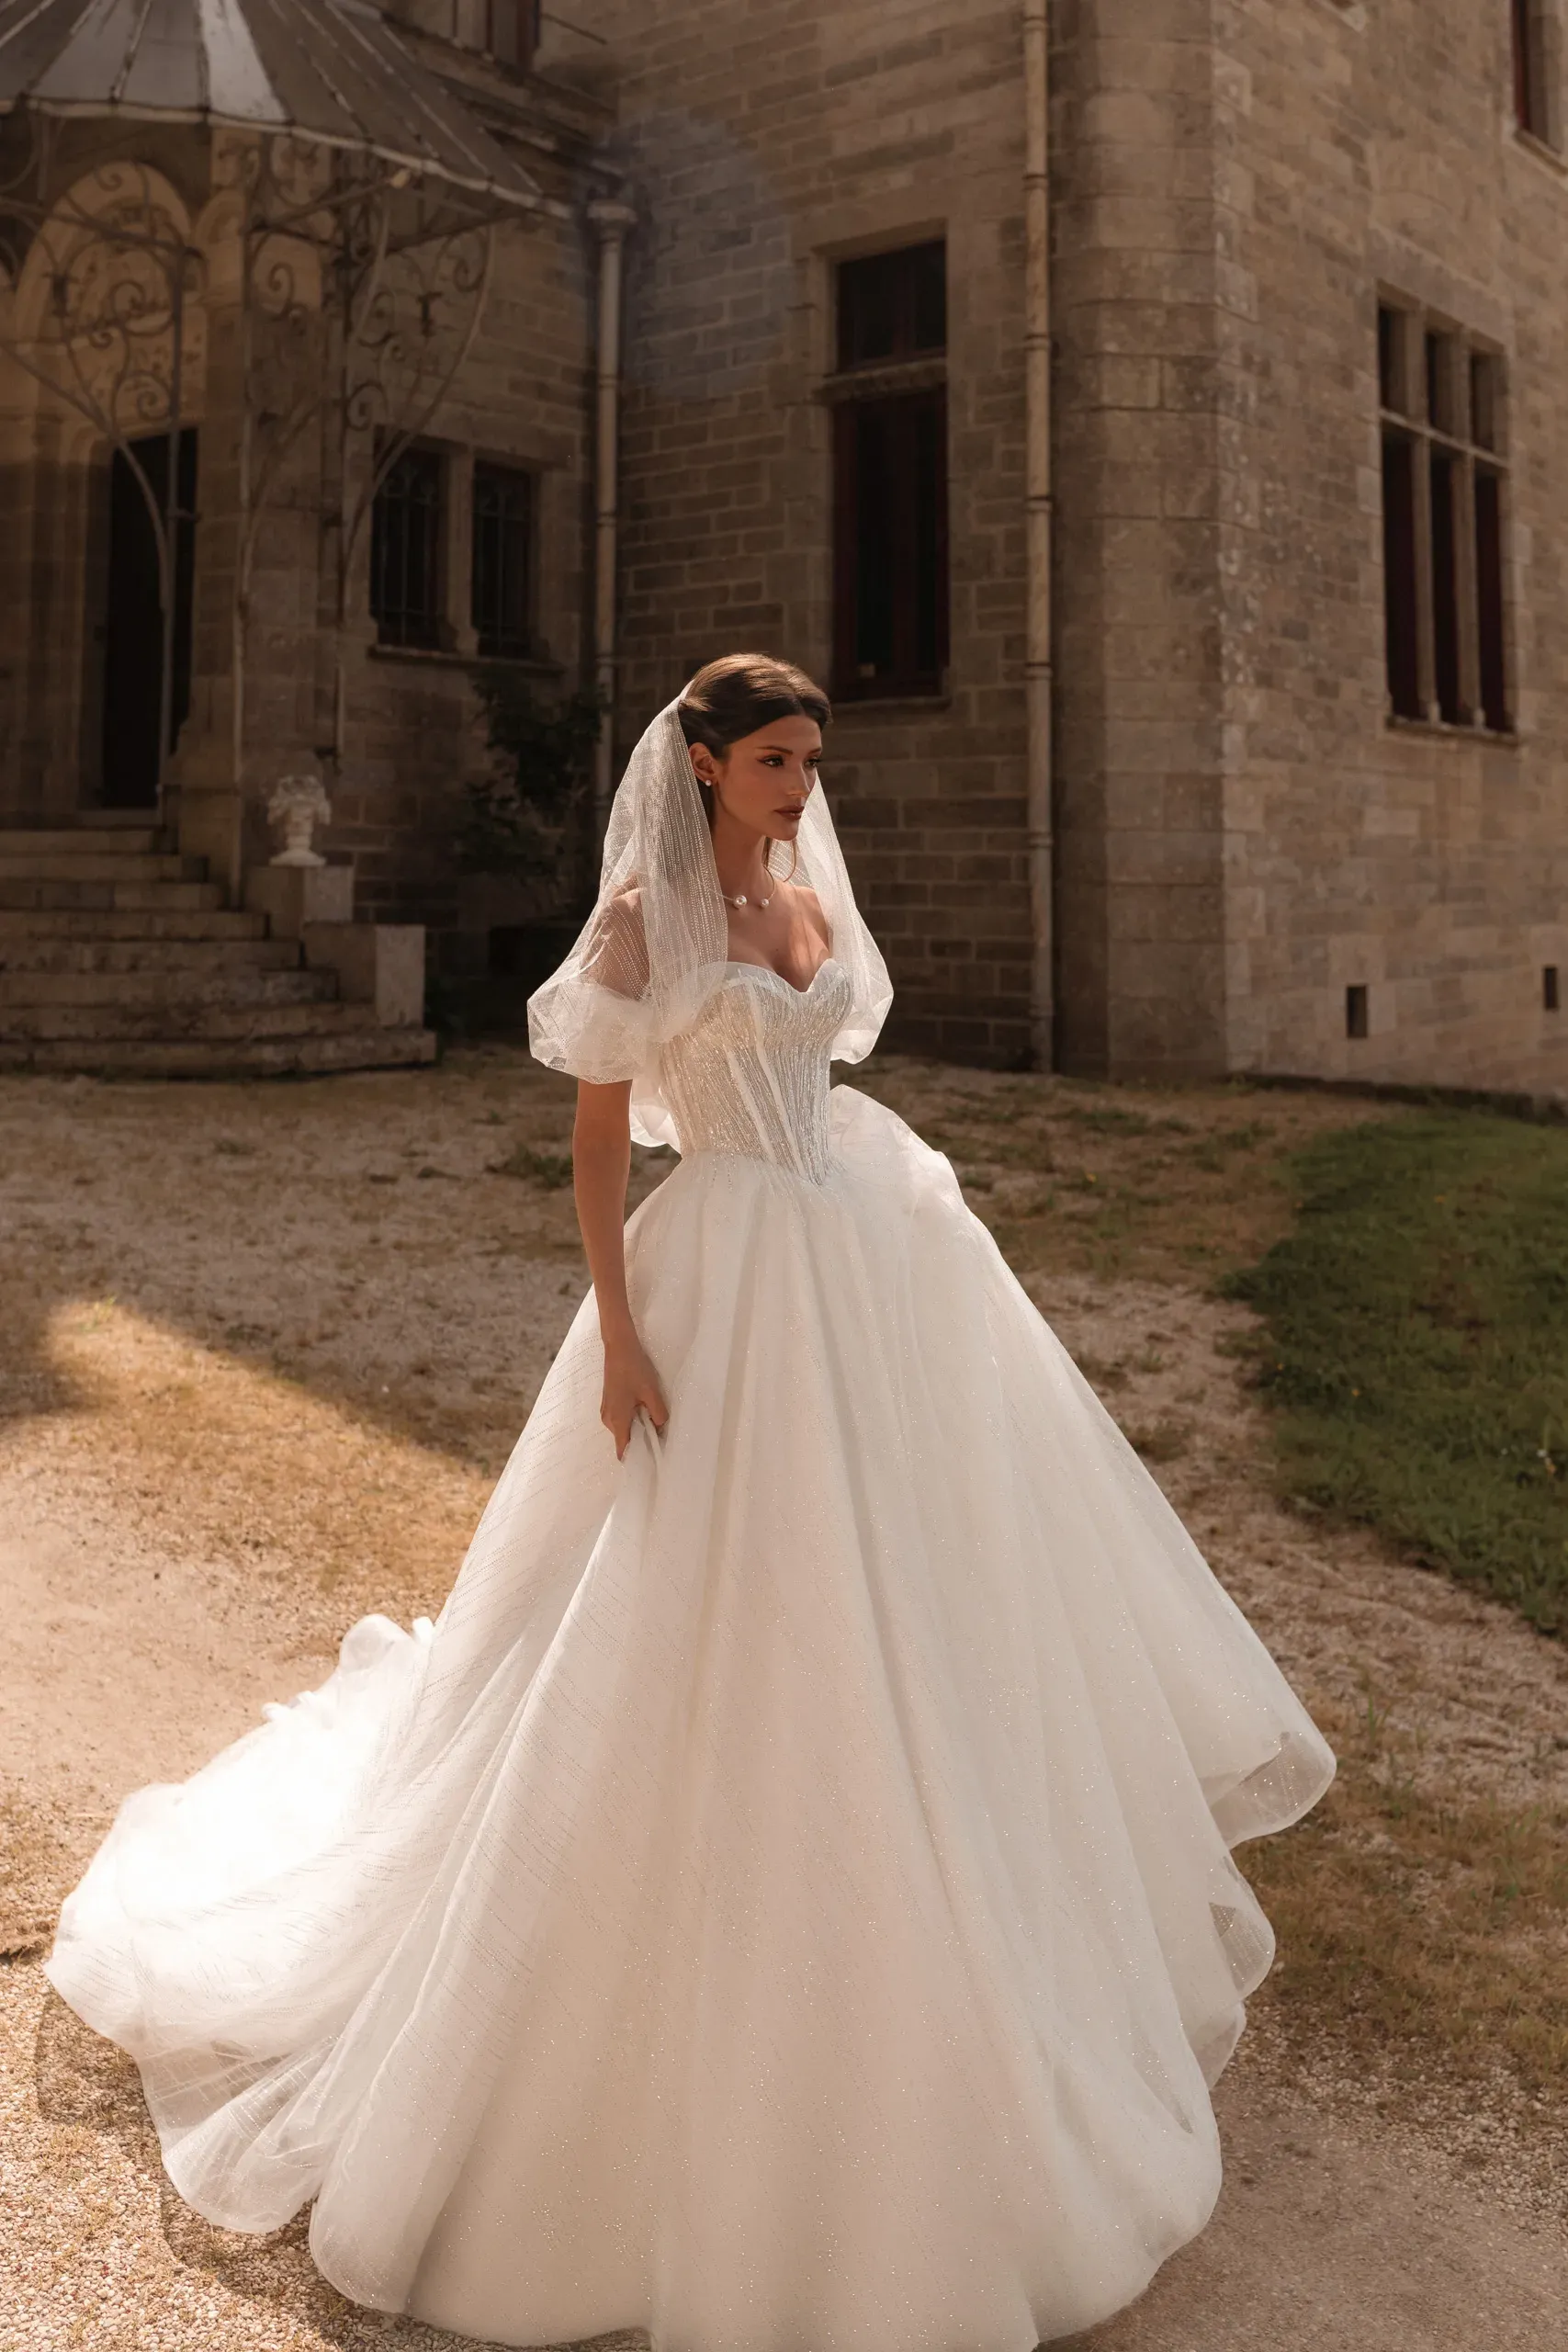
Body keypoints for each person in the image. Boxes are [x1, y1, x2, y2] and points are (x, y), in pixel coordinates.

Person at [45, 653, 1336, 2351]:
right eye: (776, 759)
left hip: (857, 1256)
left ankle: (925, 1932)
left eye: (811, 759)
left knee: (899, 1586)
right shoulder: (642, 921)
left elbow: (823, 1066)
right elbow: (600, 1143)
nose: (801, 785)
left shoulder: (801, 899)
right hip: (720, 1265)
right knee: (695, 1589)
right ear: (705, 763)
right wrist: (622, 1336)